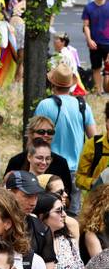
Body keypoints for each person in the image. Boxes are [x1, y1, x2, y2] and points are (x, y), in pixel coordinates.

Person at [35, 64, 97, 214]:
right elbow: (94, 139)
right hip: (76, 169)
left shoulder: (45, 105)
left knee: (48, 211)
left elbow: (36, 136)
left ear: (53, 83)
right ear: (70, 85)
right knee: (73, 212)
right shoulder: (83, 106)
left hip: (50, 167)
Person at [81, 0, 109, 94]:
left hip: (108, 43)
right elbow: (86, 26)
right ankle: (98, 91)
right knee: (96, 67)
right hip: (95, 42)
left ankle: (105, 88)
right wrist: (89, 39)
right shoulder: (89, 8)